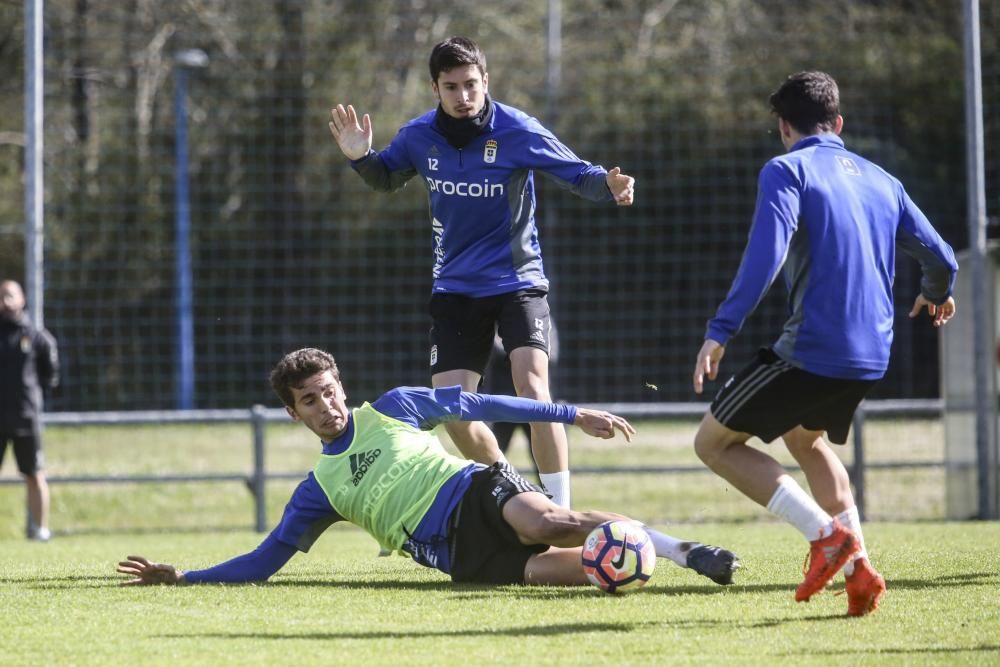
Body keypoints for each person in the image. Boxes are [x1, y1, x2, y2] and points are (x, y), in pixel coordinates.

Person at [117, 347, 739, 588]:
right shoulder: (317, 491)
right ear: (293, 413)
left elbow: (484, 403)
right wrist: (186, 578)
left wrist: (572, 414)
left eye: (330, 390)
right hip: (456, 557)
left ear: (342, 384)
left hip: (475, 492)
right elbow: (264, 560)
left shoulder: (393, 408)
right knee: (594, 572)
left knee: (553, 520)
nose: (327, 405)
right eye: (310, 400)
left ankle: (689, 551)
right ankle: (646, 559)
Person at [690, 71, 958, 616]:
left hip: (813, 348)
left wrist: (721, 331)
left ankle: (829, 537)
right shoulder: (883, 180)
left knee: (713, 445)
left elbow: (764, 258)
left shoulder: (786, 170)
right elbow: (943, 259)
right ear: (837, 123)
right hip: (871, 354)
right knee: (806, 441)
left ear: (784, 127)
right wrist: (936, 294)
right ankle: (860, 572)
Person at [328, 36, 635, 508]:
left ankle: (563, 514)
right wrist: (360, 158)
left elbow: (578, 174)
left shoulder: (517, 129)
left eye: (471, 84)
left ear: (485, 81)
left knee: (534, 391)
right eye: (451, 87)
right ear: (436, 88)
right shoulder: (417, 136)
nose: (463, 96)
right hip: (453, 288)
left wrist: (609, 187)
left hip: (518, 283)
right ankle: (518, 499)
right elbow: (386, 178)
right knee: (452, 411)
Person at [0, 279, 59, 542]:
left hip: (26, 417)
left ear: (22, 299)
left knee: (35, 475)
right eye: (1, 296)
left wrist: (32, 398)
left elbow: (50, 375)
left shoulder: (36, 336)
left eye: (10, 295)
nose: (5, 301)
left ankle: (40, 530)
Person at [482, 318, 560, 479]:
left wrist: (522, 351)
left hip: (534, 403)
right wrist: (524, 351)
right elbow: (493, 352)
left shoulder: (539, 320)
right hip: (502, 404)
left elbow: (551, 354)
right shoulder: (492, 321)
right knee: (489, 463)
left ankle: (558, 501)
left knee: (548, 465)